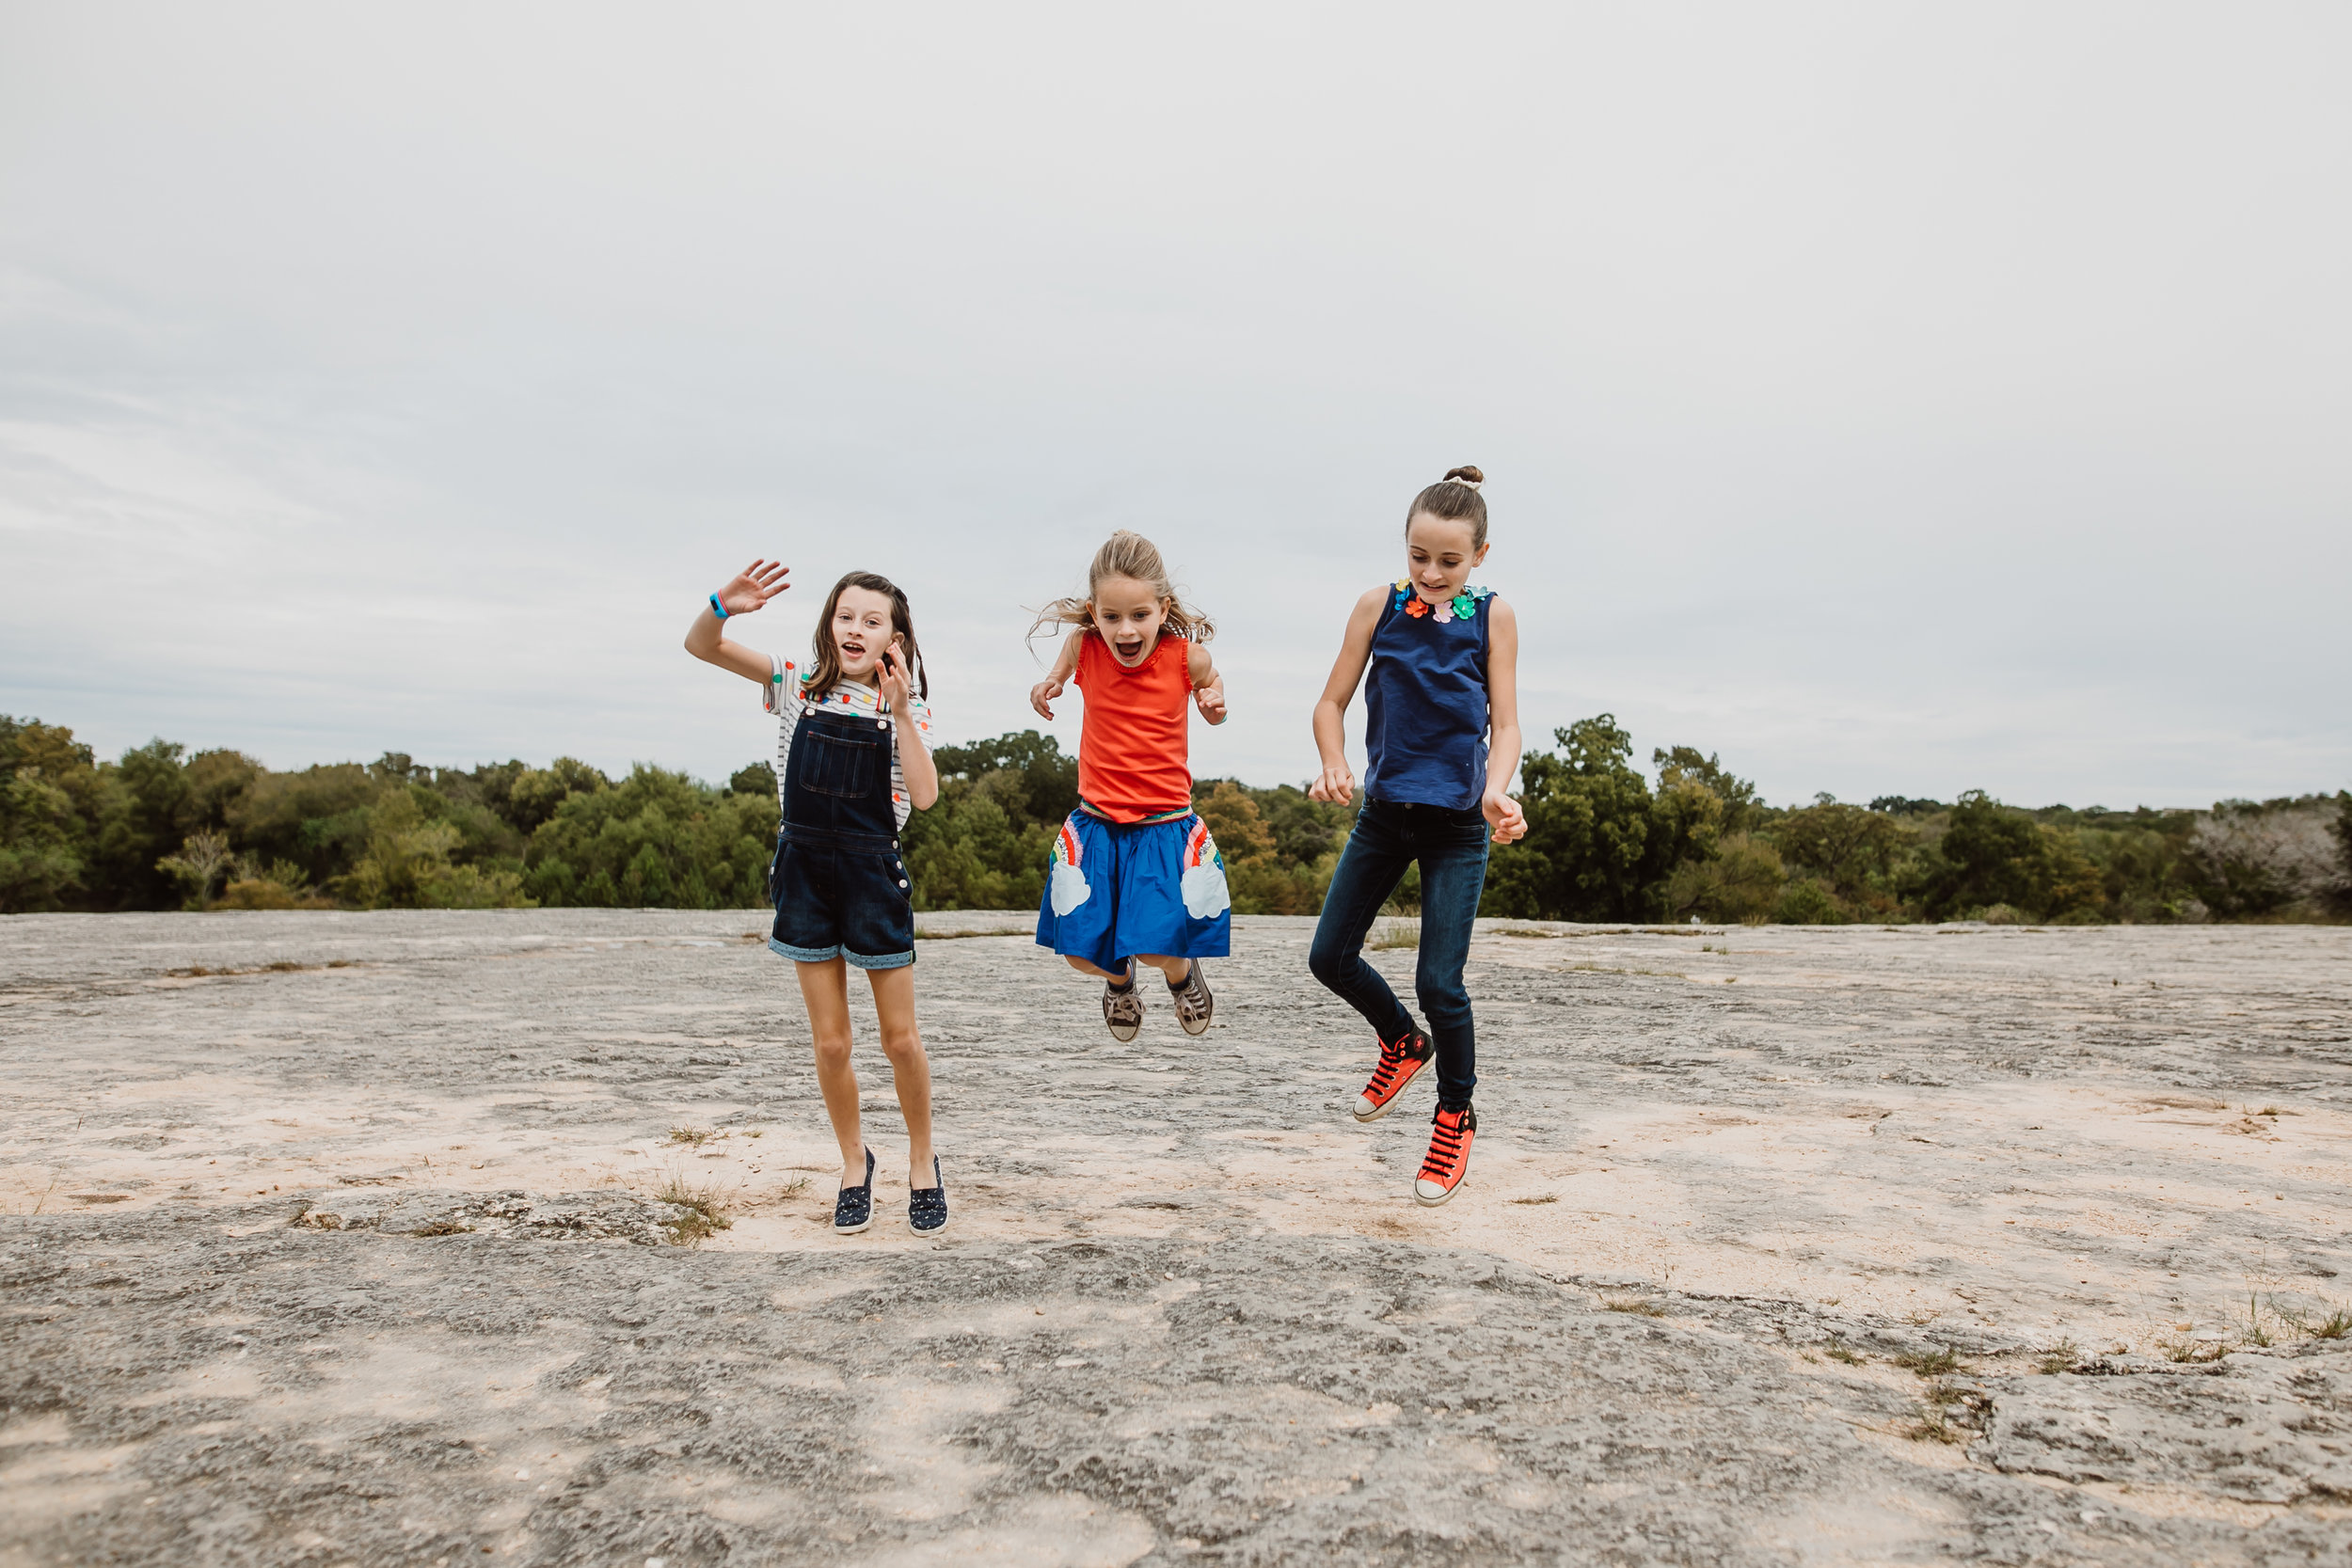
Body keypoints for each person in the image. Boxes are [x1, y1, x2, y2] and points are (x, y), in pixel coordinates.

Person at [684, 560, 950, 1239]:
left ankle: (922, 1159)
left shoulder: (905, 707)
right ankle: (852, 1162)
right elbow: (701, 646)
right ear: (827, 624)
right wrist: (721, 604)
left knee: (900, 1040)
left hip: (872, 874)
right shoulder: (795, 683)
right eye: (845, 616)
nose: (855, 629)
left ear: (895, 638)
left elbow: (924, 796)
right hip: (804, 870)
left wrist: (899, 714)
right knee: (832, 1044)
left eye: (872, 620)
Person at [1305, 467, 1525, 1206]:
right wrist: (1334, 760)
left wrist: (1497, 790)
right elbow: (1331, 702)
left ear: (1481, 554)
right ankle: (1401, 1041)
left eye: (1449, 561)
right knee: (1328, 956)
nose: (1431, 573)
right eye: (1418, 556)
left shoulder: (1494, 618)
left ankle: (1454, 1111)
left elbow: (1508, 722)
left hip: (1460, 823)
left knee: (1441, 982)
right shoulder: (1378, 606)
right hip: (1386, 813)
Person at [1027, 531, 1231, 1041]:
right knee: (1079, 953)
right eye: (1112, 616)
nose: (1125, 629)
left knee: (1159, 948)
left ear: (1162, 609)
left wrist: (1214, 706)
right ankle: (1120, 983)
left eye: (1139, 615)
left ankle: (1182, 977)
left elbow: (1213, 685)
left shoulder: (1187, 658)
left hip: (1162, 826)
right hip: (1096, 823)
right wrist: (1047, 685)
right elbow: (1060, 671)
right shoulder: (1084, 646)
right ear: (1094, 612)